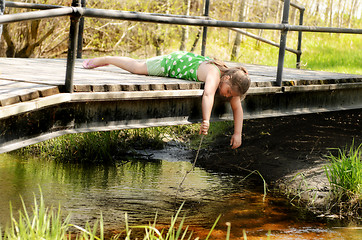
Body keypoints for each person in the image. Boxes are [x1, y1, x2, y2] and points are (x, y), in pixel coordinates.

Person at [83, 51, 251, 149]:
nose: (227, 96)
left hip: (187, 60)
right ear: (226, 78)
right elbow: (208, 95)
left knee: (138, 68)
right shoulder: (214, 75)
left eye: (230, 95)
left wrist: (238, 134)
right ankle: (105, 59)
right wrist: (206, 120)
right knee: (137, 68)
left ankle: (105, 59)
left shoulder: (230, 82)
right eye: (228, 91)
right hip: (172, 63)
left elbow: (237, 108)